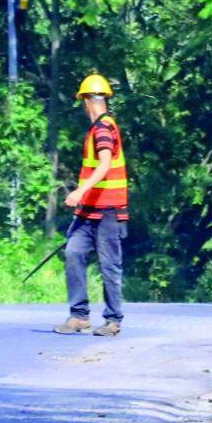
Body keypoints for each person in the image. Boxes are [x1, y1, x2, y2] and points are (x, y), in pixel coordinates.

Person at [55, 74, 127, 337]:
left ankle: (113, 320)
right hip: (89, 211)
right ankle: (79, 316)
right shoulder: (98, 127)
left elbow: (106, 164)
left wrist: (80, 190)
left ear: (87, 101)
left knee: (109, 264)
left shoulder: (103, 128)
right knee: (73, 252)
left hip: (108, 211)